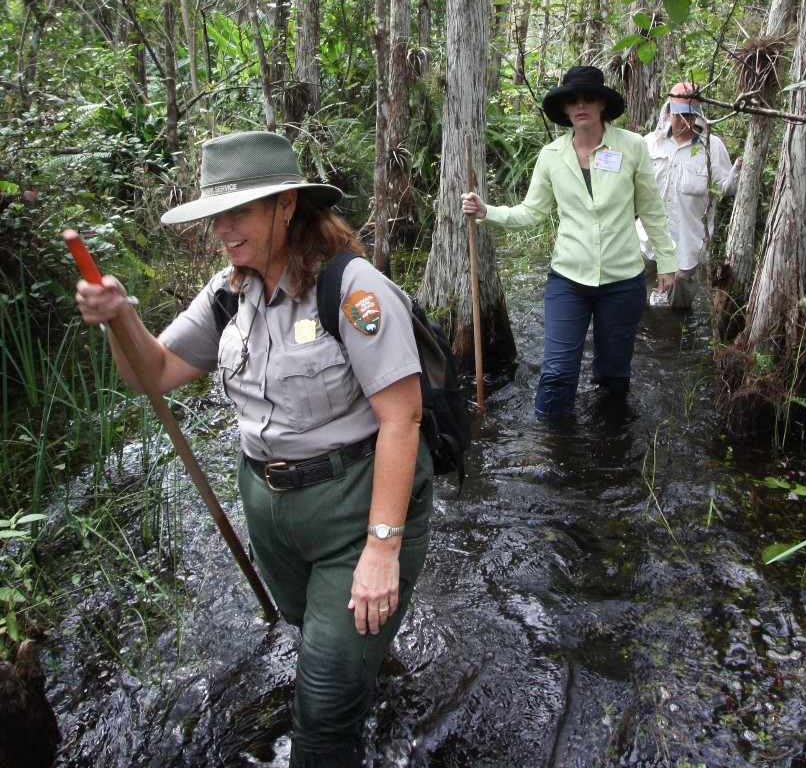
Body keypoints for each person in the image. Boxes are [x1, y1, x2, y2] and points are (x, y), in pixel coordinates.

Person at [73, 131, 433, 768]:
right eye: (218, 213)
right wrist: (120, 316)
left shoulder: (351, 289)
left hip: (356, 506)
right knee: (313, 636)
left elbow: (403, 417)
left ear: (287, 205)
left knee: (320, 707)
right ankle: (364, 670)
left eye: (239, 211)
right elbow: (151, 374)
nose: (223, 228)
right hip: (270, 508)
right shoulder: (227, 292)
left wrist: (383, 547)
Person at [460, 65, 677, 416]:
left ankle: (608, 443)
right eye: (572, 100)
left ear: (602, 104)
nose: (581, 105)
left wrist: (667, 262)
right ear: (563, 108)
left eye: (589, 98)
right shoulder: (551, 156)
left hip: (623, 281)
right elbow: (531, 213)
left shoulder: (632, 146)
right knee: (558, 372)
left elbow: (651, 209)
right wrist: (487, 211)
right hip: (569, 280)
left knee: (614, 374)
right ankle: (551, 446)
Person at [638, 81, 742, 310]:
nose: (682, 119)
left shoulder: (712, 146)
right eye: (677, 113)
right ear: (668, 111)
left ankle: (675, 343)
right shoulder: (649, 143)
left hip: (688, 242)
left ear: (698, 114)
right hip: (646, 240)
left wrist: (737, 174)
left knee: (680, 311)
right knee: (635, 304)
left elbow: (726, 189)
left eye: (688, 113)